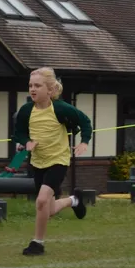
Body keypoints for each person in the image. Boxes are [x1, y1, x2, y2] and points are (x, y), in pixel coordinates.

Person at [13, 67, 92, 256]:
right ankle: (74, 200)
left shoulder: (61, 108)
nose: (33, 89)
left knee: (40, 201)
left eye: (38, 86)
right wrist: (26, 143)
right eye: (30, 85)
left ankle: (37, 244)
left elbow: (85, 122)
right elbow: (19, 133)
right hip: (38, 162)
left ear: (49, 90)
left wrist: (84, 142)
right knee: (47, 210)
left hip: (59, 160)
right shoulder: (26, 111)